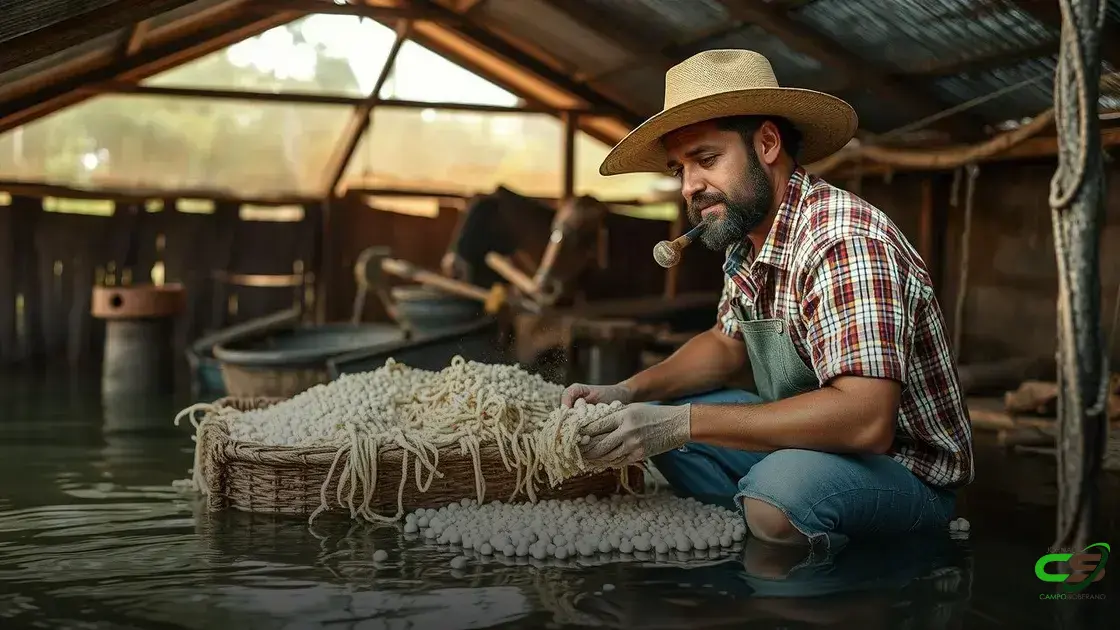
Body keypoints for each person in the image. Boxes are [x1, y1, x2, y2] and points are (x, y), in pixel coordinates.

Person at [562, 49, 974, 553]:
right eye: (680, 168)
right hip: (809, 444)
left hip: (901, 468)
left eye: (707, 160)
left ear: (768, 143)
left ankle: (782, 513)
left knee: (772, 495)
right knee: (660, 425)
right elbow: (725, 344)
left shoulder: (842, 241)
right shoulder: (747, 238)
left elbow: (867, 420)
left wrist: (681, 423)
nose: (690, 185)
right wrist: (626, 391)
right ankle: (763, 516)